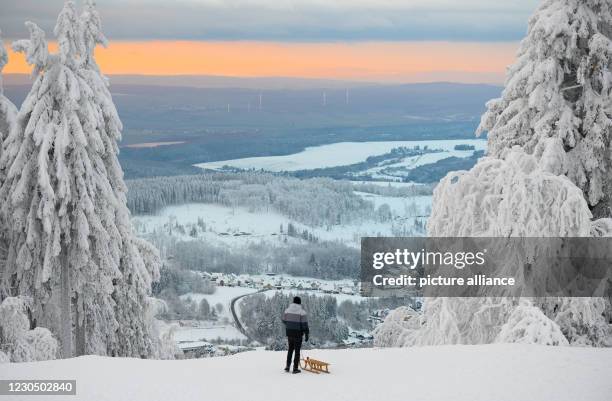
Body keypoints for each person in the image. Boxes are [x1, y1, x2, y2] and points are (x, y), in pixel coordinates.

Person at [281, 296, 309, 373]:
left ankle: (287, 366)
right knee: (297, 351)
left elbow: (283, 320)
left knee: (290, 349)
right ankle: (295, 368)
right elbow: (304, 324)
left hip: (289, 333)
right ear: (300, 302)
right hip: (298, 334)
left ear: (293, 302)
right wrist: (306, 334)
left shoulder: (287, 311)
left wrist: (290, 324)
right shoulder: (302, 312)